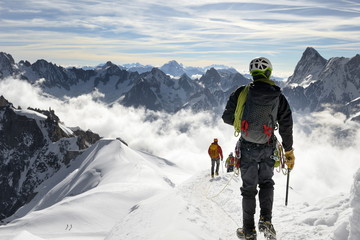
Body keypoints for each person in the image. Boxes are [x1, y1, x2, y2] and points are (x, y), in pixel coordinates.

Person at [222, 57, 295, 240]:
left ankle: (248, 230)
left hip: (247, 148)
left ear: (252, 73)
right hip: (268, 147)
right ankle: (266, 221)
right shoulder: (278, 96)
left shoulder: (241, 92)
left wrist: (243, 124)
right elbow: (286, 124)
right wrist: (288, 151)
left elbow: (226, 117)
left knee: (248, 189)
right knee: (266, 183)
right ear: (268, 73)